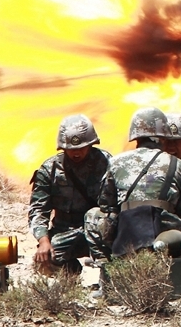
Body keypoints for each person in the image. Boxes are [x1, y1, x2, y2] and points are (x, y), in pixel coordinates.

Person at [84, 106, 181, 261]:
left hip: (128, 236)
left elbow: (106, 205)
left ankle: (106, 266)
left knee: (92, 215)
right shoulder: (180, 165)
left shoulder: (115, 162)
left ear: (136, 136)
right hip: (166, 237)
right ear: (163, 137)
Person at [28, 114, 111, 274]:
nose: (76, 153)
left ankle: (108, 281)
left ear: (92, 144)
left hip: (100, 227)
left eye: (81, 148)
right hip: (65, 229)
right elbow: (38, 210)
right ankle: (71, 273)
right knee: (44, 263)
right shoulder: (49, 169)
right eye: (71, 149)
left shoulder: (106, 163)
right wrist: (43, 240)